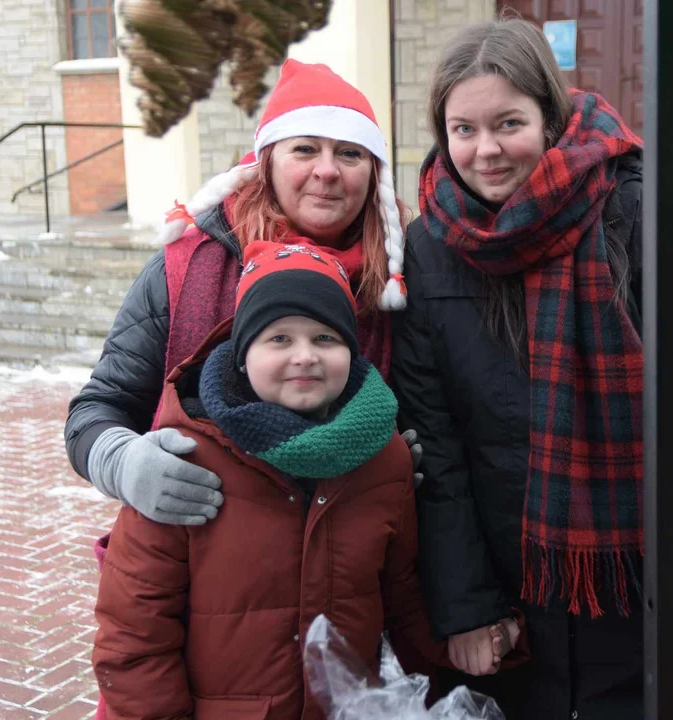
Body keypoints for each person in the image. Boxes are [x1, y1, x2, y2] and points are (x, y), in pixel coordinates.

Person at [390, 18, 673, 720]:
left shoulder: (633, 211)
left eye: (508, 123)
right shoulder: (429, 244)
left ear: (549, 118)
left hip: (643, 586)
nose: (486, 149)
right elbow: (433, 442)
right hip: (509, 607)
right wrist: (468, 604)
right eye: (463, 129)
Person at [92, 241, 522, 719]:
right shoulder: (186, 457)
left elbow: (403, 602)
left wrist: (468, 640)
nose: (305, 357)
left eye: (325, 338)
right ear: (242, 355)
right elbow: (134, 634)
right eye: (279, 339)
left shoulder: (384, 460)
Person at [64, 58, 414, 529]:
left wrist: (400, 466)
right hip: (209, 566)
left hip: (347, 573)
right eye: (305, 149)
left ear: (373, 172)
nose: (328, 171)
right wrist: (120, 461)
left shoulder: (402, 275)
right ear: (266, 162)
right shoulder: (186, 265)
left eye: (350, 154)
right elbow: (100, 406)